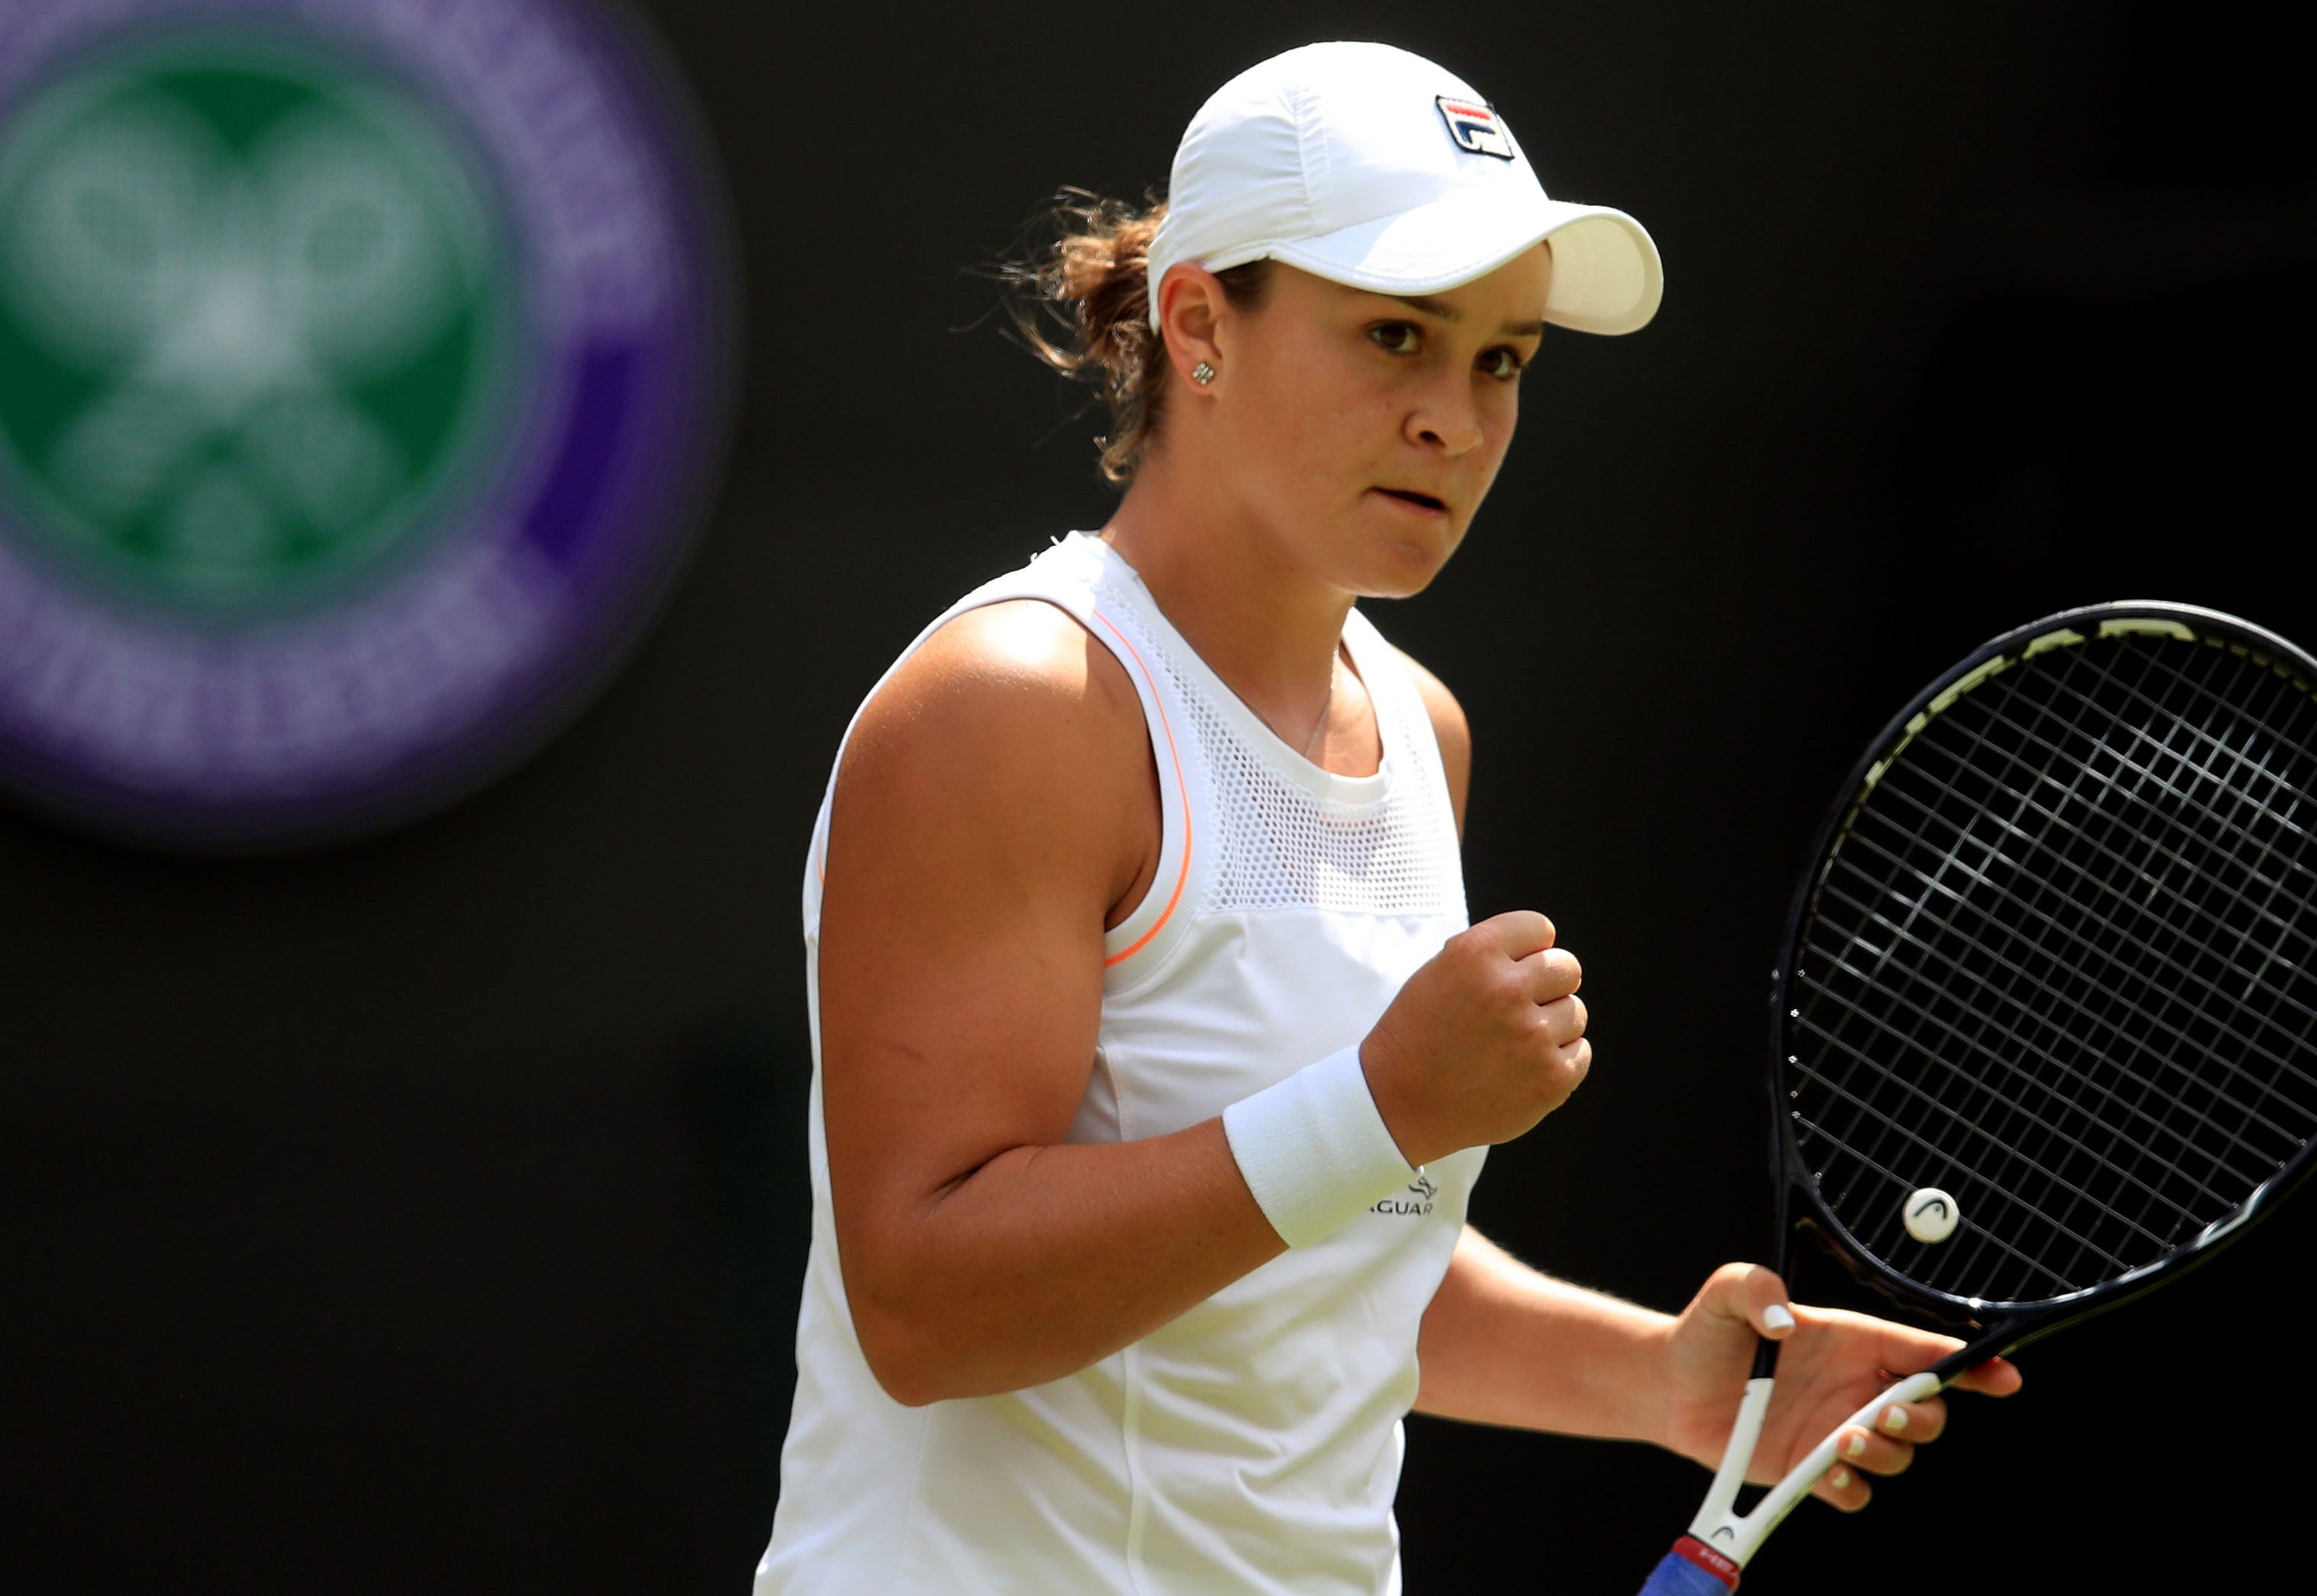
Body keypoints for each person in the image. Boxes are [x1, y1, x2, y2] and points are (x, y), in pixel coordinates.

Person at [755, 41, 2019, 1594]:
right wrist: (1381, 1107)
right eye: (1398, 335)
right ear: (1200, 325)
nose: (1458, 421)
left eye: (1502, 360)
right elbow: (925, 1310)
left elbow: (1311, 1256)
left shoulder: (1423, 732)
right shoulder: (1018, 702)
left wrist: (1656, 1382)